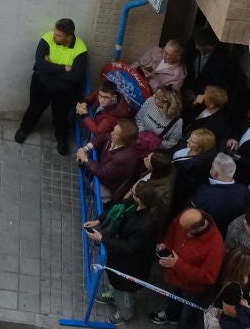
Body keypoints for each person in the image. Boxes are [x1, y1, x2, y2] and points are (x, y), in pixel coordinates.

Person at [89, 179, 172, 323]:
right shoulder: (135, 204)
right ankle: (113, 293)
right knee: (116, 282)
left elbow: (129, 247)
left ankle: (125, 312)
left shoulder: (147, 224)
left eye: (132, 192)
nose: (130, 192)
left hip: (130, 266)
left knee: (124, 289)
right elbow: (119, 207)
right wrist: (99, 220)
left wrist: (102, 239)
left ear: (139, 199)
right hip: (119, 258)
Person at [16, 16, 88, 151]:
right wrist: (64, 68)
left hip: (63, 90)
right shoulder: (47, 38)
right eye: (55, 33)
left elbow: (76, 76)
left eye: (58, 35)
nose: (54, 36)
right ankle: (24, 128)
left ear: (68, 37)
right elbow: (41, 65)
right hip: (42, 84)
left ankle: (61, 139)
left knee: (61, 115)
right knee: (34, 109)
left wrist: (50, 69)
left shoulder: (81, 49)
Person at [152, 208, 224, 329]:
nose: (183, 233)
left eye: (187, 231)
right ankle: (172, 316)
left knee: (187, 315)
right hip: (174, 278)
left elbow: (208, 277)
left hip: (191, 289)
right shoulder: (187, 218)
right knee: (172, 300)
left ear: (197, 229)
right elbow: (173, 229)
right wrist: (166, 244)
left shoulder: (215, 246)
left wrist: (178, 264)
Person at [194, 154, 250, 232]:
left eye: (212, 166)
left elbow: (194, 215)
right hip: (232, 231)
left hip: (212, 231)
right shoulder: (245, 190)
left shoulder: (204, 195)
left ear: (215, 173)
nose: (211, 167)